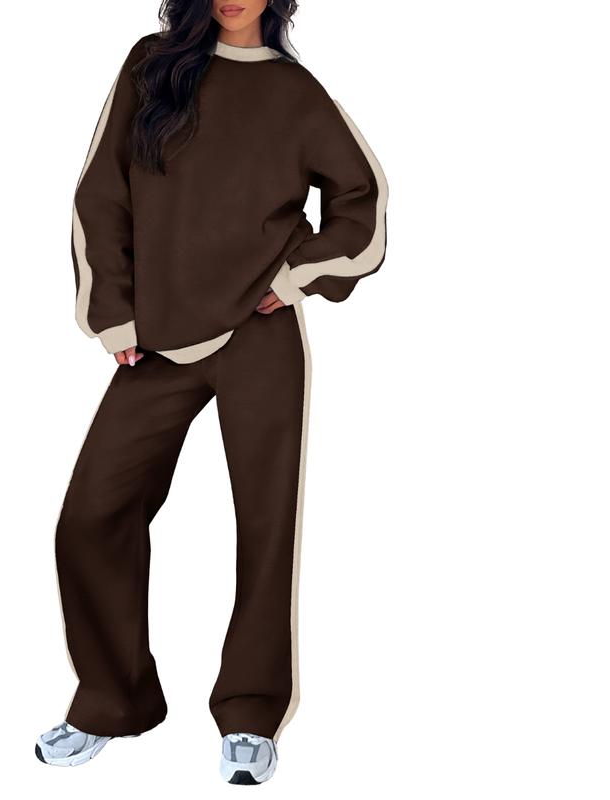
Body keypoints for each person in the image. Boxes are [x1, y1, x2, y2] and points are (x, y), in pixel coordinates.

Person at [35, 0, 388, 785]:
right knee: (92, 516)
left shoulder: (296, 95)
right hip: (157, 339)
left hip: (260, 336)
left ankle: (251, 713)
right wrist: (112, 311)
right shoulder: (152, 65)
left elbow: (362, 208)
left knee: (265, 525)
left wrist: (294, 278)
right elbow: (100, 192)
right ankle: (113, 701)